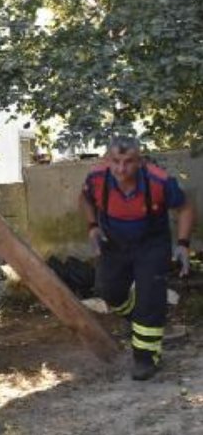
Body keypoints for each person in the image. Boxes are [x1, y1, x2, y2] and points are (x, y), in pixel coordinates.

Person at [79, 135, 195, 381]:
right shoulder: (97, 178)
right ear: (108, 160)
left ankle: (146, 358)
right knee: (109, 291)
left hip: (151, 245)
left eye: (128, 162)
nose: (121, 169)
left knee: (150, 298)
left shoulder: (159, 181)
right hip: (114, 243)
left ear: (140, 161)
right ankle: (139, 317)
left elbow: (185, 207)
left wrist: (183, 244)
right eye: (116, 161)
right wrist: (92, 226)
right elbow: (85, 199)